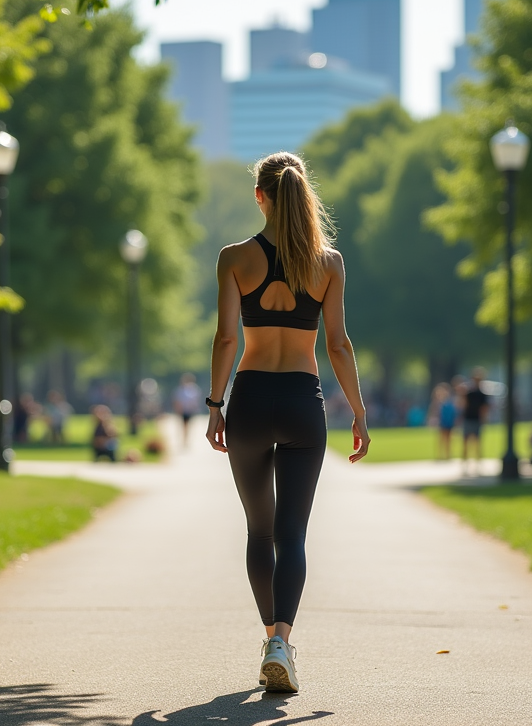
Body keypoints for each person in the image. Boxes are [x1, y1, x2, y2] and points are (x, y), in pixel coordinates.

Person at [206, 151, 369, 694]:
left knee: (260, 530)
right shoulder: (330, 263)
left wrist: (214, 405)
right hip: (303, 400)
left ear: (261, 196)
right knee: (294, 534)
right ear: (303, 197)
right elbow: (339, 344)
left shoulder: (233, 257)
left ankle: (269, 640)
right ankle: (282, 641)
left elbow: (227, 338)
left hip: (250, 399)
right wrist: (359, 412)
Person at [461, 367, 489, 463]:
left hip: (476, 419)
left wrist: (483, 419)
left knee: (477, 442)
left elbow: (484, 408)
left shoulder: (482, 394)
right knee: (465, 442)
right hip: (468, 418)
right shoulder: (468, 393)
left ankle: (478, 462)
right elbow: (463, 405)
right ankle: (465, 462)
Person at [173, 373, 203, 448]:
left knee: (188, 425)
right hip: (183, 410)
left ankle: (186, 439)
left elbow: (196, 400)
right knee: (184, 425)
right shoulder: (180, 389)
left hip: (190, 410)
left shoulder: (194, 389)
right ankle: (184, 440)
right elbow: (177, 400)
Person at [430, 382, 456, 460]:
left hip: (449, 422)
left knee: (448, 439)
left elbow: (453, 412)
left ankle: (448, 455)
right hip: (442, 422)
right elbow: (434, 412)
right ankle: (440, 455)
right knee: (441, 439)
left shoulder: (450, 401)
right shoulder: (438, 403)